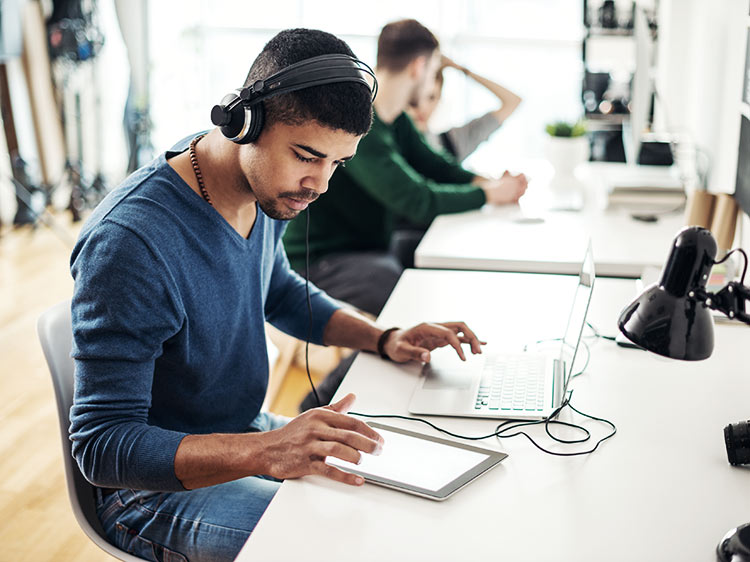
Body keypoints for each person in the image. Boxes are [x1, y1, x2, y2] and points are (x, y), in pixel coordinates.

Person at [69, 28, 484, 562]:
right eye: (308, 156)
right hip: (150, 495)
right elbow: (103, 447)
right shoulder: (131, 245)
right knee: (350, 545)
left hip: (243, 431)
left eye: (337, 164)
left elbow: (279, 290)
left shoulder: (262, 189)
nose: (320, 185)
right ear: (246, 121)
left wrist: (384, 338)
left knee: (407, 499)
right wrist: (266, 451)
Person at [283, 19, 528, 319]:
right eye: (434, 69)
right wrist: (488, 194)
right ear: (418, 67)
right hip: (325, 260)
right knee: (410, 299)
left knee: (442, 254)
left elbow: (438, 167)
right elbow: (417, 200)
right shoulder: (360, 127)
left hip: (369, 245)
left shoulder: (396, 119)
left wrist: (487, 183)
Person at [407, 54, 522, 162]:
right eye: (414, 96)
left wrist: (460, 69)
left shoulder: (453, 142)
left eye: (431, 97)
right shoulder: (391, 144)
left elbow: (512, 101)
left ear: (439, 99)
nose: (421, 106)